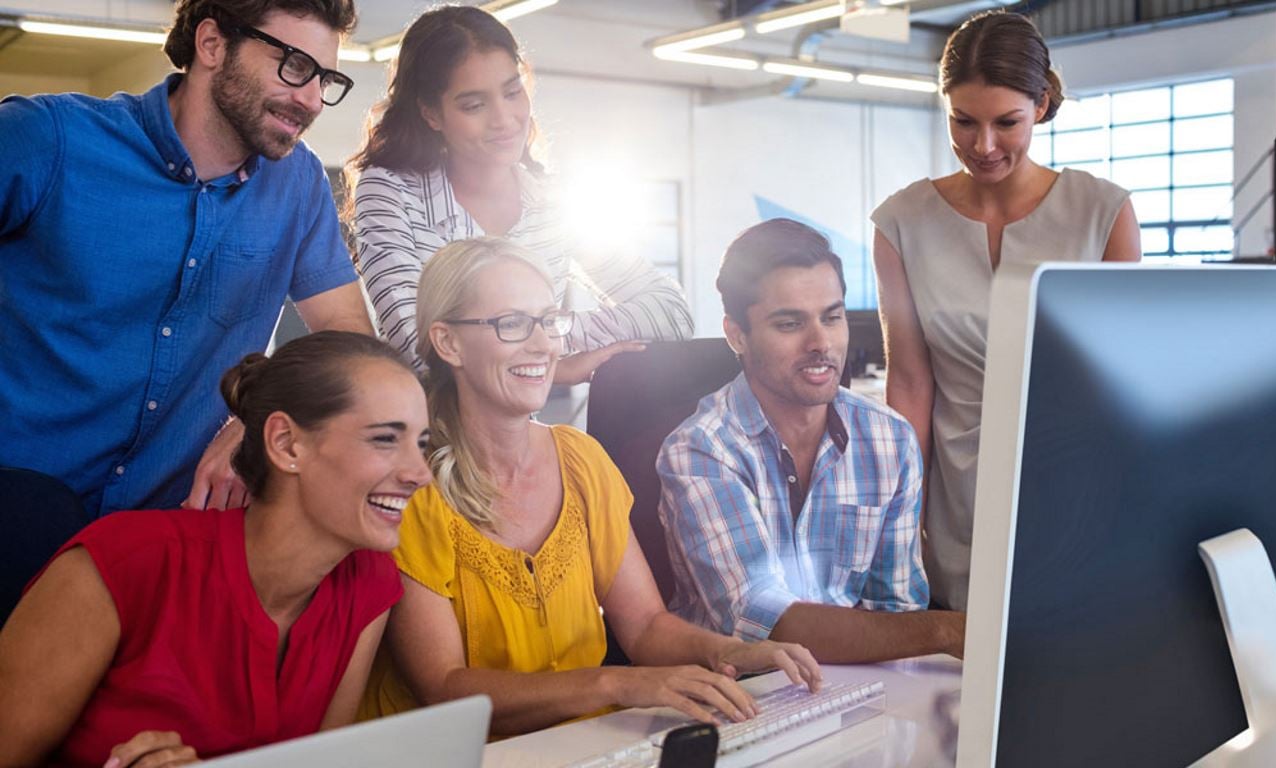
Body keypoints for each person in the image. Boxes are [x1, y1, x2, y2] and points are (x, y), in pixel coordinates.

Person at [359, 238, 820, 737]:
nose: (543, 345)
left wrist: (726, 650)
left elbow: (644, 624)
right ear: (448, 343)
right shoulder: (410, 486)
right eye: (512, 324)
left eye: (548, 320)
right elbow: (443, 688)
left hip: (579, 746)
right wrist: (614, 685)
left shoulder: (582, 461)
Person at [0, 0, 373, 520]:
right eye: (294, 66)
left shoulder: (299, 186)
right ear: (213, 44)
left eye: (324, 78)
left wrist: (261, 412)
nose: (311, 99)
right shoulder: (46, 139)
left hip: (159, 539)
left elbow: (349, 336)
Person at [0, 332, 431, 768]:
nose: (420, 474)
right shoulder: (121, 564)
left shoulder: (370, 585)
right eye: (385, 439)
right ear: (285, 443)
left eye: (422, 445)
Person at [871, 10, 1142, 611]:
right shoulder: (901, 223)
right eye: (963, 122)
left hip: (1078, 487)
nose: (982, 145)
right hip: (957, 500)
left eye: (1006, 123)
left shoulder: (1103, 212)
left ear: (1041, 105)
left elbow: (1122, 385)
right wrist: (898, 521)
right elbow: (911, 387)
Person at [657, 219, 965, 665]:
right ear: (736, 335)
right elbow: (765, 625)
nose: (821, 343)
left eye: (832, 317)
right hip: (741, 694)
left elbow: (897, 609)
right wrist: (949, 630)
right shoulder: (702, 449)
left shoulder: (889, 438)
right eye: (789, 324)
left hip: (860, 685)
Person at [348, 5, 692, 386]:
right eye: (474, 105)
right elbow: (419, 347)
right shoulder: (389, 190)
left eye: (513, 92)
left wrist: (552, 333)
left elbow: (671, 312)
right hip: (426, 436)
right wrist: (549, 363)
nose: (504, 119)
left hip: (516, 436)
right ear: (431, 114)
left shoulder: (552, 205)